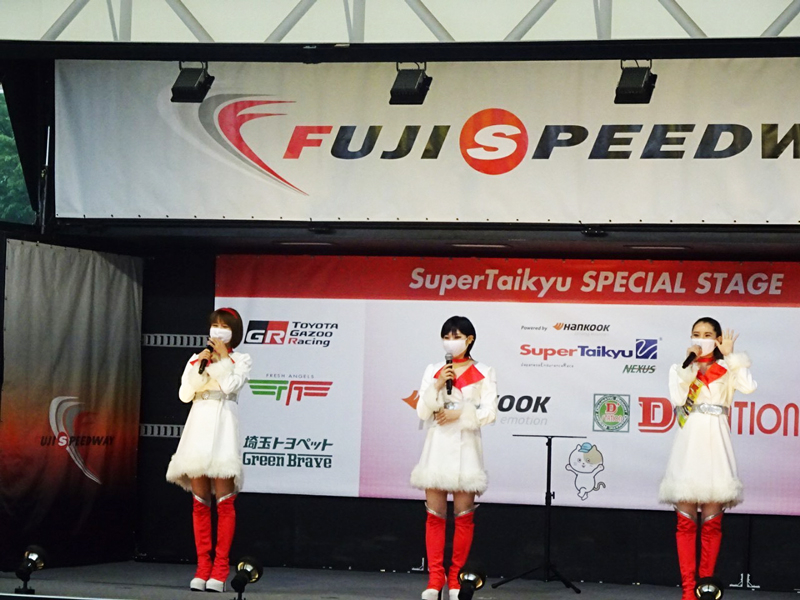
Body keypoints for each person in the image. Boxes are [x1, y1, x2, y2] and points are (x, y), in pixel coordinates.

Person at [659, 317, 756, 599]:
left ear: (718, 339)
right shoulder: (681, 368)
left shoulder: (728, 367)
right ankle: (688, 590)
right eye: (696, 333)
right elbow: (679, 398)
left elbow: (749, 387)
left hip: (716, 442)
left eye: (707, 334)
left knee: (712, 524)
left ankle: (706, 588)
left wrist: (731, 357)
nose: (701, 339)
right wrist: (688, 364)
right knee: (685, 522)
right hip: (689, 443)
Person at [410, 316, 498, 600]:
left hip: (466, 448)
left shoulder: (484, 371)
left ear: (469, 339)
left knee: (463, 517)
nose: (451, 342)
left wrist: (460, 413)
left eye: (456, 336)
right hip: (437, 446)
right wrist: (437, 385)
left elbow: (490, 412)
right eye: (446, 337)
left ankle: (456, 579)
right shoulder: (434, 370)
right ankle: (435, 580)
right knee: (434, 516)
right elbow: (422, 411)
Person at [166, 308, 252, 592]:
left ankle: (220, 570)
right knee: (199, 503)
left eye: (224, 326)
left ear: (234, 332)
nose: (218, 330)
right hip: (197, 430)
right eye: (214, 325)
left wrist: (223, 360)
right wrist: (200, 365)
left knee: (224, 503)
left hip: (224, 428)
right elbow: (184, 394)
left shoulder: (241, 360)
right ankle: (202, 568)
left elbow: (229, 386)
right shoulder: (196, 357)